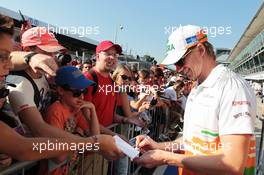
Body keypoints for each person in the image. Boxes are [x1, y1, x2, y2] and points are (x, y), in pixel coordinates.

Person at [0, 13, 123, 163]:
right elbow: (39, 130)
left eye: (53, 53)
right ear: (28, 49)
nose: (51, 58)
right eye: (46, 52)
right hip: (26, 160)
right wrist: (93, 142)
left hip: (37, 157)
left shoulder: (44, 76)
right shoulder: (19, 83)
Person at [134, 25, 256, 175]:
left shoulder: (232, 88)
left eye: (180, 61)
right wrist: (158, 146)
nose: (178, 69)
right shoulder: (197, 87)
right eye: (175, 64)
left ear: (200, 50)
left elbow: (233, 163)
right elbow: (191, 142)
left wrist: (166, 158)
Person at [40, 66, 100, 175]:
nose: (81, 96)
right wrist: (79, 135)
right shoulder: (55, 111)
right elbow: (59, 157)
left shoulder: (77, 109)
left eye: (84, 91)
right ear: (61, 90)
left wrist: (92, 109)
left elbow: (96, 141)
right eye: (76, 92)